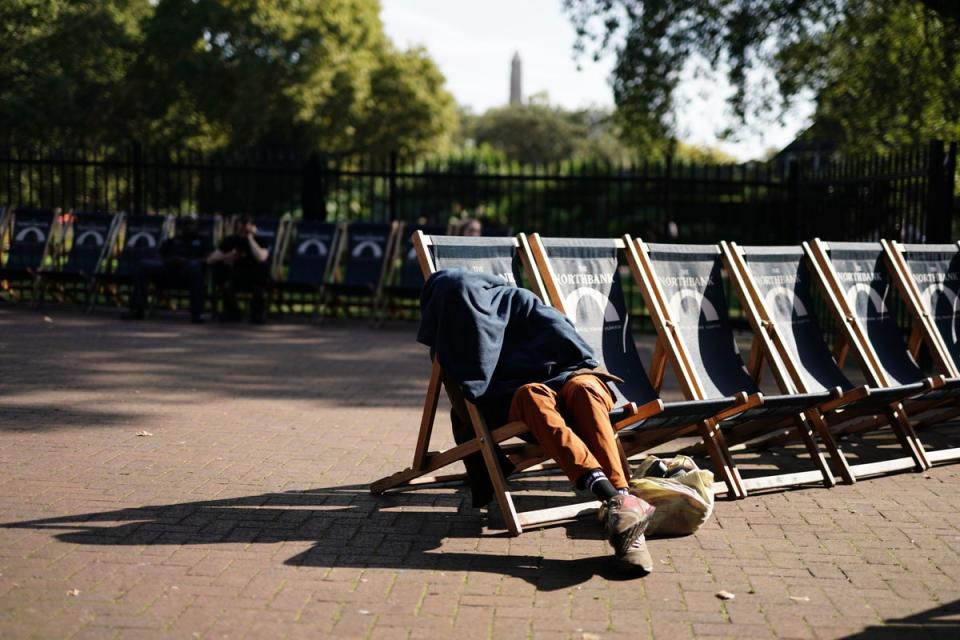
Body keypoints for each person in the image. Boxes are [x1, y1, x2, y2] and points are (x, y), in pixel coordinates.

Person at [418, 269, 656, 574]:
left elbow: (578, 352)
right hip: (525, 404)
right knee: (531, 394)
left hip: (573, 379)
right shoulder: (454, 336)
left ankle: (620, 501)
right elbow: (469, 406)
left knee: (584, 388)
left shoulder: (520, 301)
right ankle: (619, 503)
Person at [122, 216, 207, 324]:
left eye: (191, 224)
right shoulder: (173, 240)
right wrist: (168, 261)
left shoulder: (202, 241)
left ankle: (197, 314)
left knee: (195, 266)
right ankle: (136, 310)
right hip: (167, 270)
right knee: (143, 264)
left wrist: (187, 261)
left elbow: (208, 258)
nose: (188, 226)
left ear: (196, 226)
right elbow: (158, 254)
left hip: (187, 272)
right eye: (185, 224)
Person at [207, 215, 271, 323]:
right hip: (235, 276)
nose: (244, 228)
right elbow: (211, 259)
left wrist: (250, 238)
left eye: (247, 225)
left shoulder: (260, 240)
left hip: (255, 278)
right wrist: (231, 256)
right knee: (220, 270)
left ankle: (257, 313)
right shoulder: (230, 240)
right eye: (241, 225)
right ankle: (233, 312)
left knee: (262, 268)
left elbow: (261, 257)